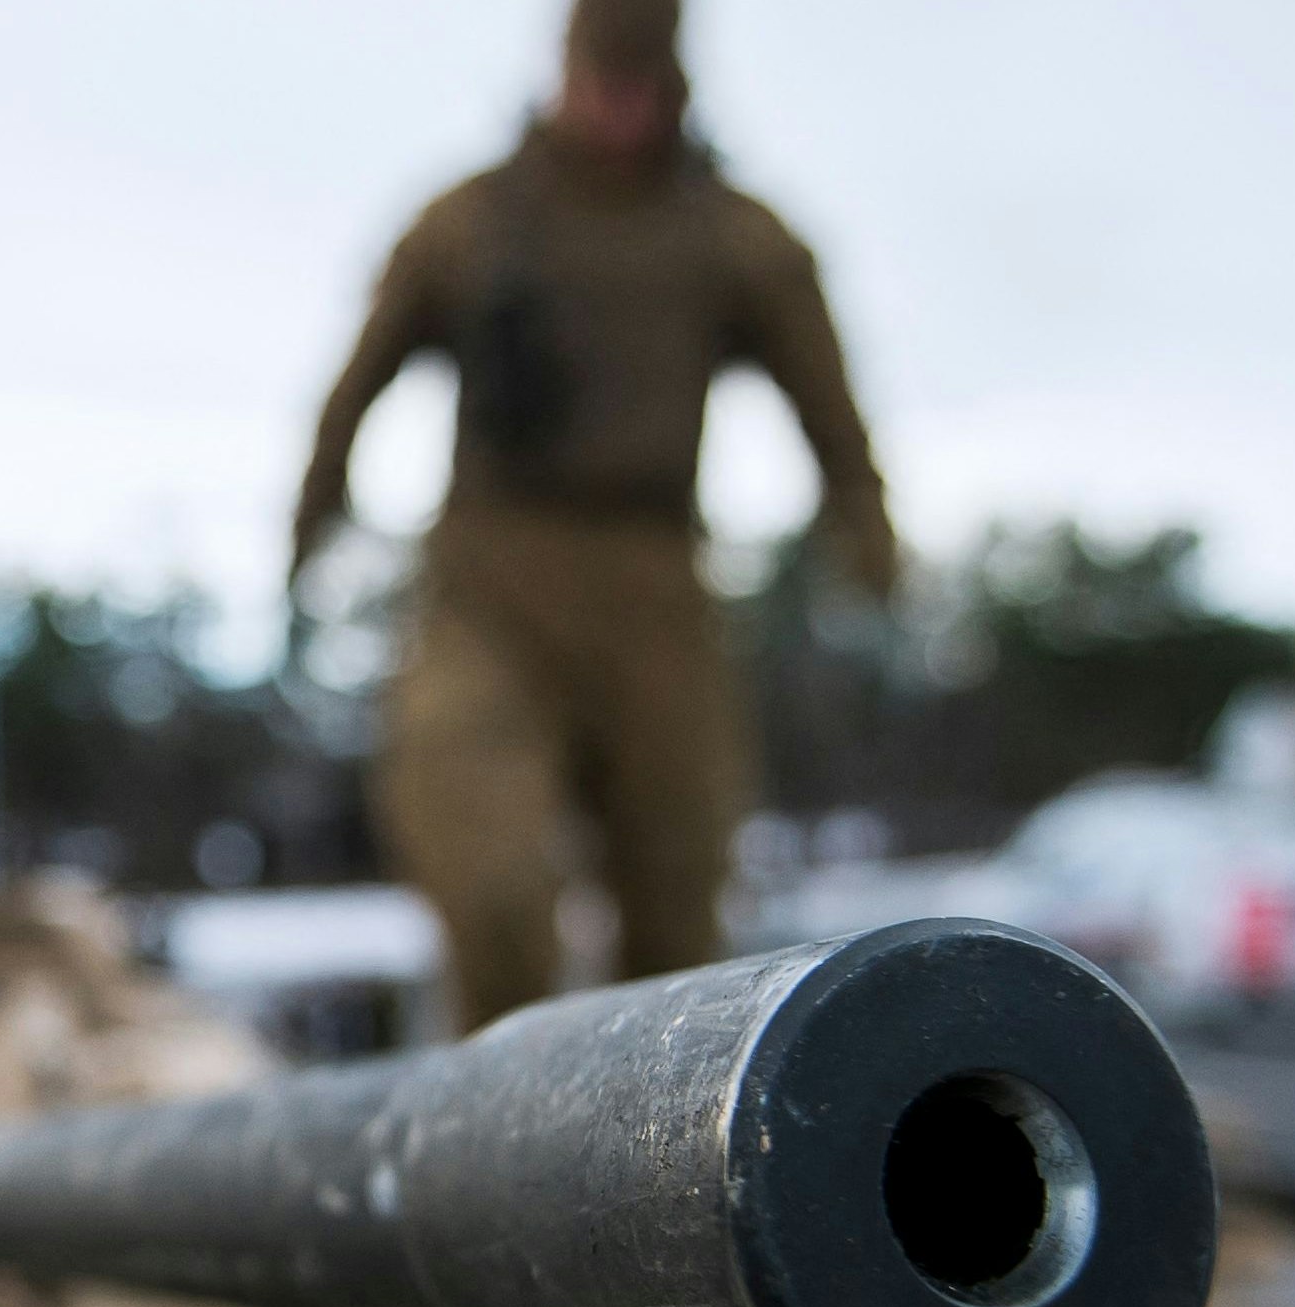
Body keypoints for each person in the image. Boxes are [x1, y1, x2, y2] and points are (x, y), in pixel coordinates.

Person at [291, 0, 898, 1029]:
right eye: (599, 79)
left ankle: (649, 1168)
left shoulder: (736, 238)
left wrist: (870, 545)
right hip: (490, 576)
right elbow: (355, 384)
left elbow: (833, 412)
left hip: (656, 583)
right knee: (489, 882)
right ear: (562, 71)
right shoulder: (468, 222)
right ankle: (501, 1136)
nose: (618, 108)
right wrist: (309, 521)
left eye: (639, 83)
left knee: (676, 916)